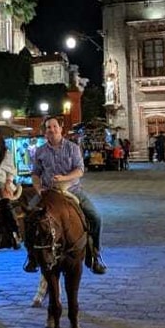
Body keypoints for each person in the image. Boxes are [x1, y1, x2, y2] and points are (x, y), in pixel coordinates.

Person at [24, 116, 106, 275]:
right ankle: (32, 256)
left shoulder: (72, 148)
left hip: (72, 190)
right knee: (28, 217)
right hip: (48, 192)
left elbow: (80, 170)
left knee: (95, 217)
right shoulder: (40, 151)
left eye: (54, 126)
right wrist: (38, 188)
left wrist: (64, 178)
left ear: (61, 129)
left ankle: (95, 254)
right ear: (45, 132)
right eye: (48, 127)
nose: (52, 130)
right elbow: (35, 173)